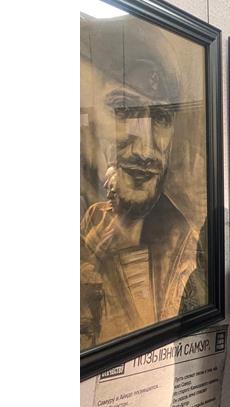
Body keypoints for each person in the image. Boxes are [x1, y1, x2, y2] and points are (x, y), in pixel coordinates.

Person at [80, 15, 205, 350]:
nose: (145, 150)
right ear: (89, 118)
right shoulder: (89, 229)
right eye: (123, 110)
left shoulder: (187, 246)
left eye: (161, 117)